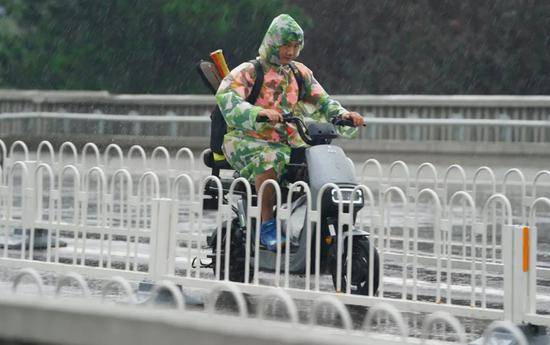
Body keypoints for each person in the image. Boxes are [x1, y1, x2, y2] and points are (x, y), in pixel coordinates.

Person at [216, 14, 364, 251]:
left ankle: (309, 227)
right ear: (273, 42)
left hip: (289, 141)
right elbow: (227, 98)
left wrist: (344, 116)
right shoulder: (250, 71)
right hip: (247, 140)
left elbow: (322, 101)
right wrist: (259, 113)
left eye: (296, 46)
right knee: (269, 157)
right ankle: (267, 224)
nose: (291, 51)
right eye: (286, 45)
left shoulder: (299, 73)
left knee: (321, 166)